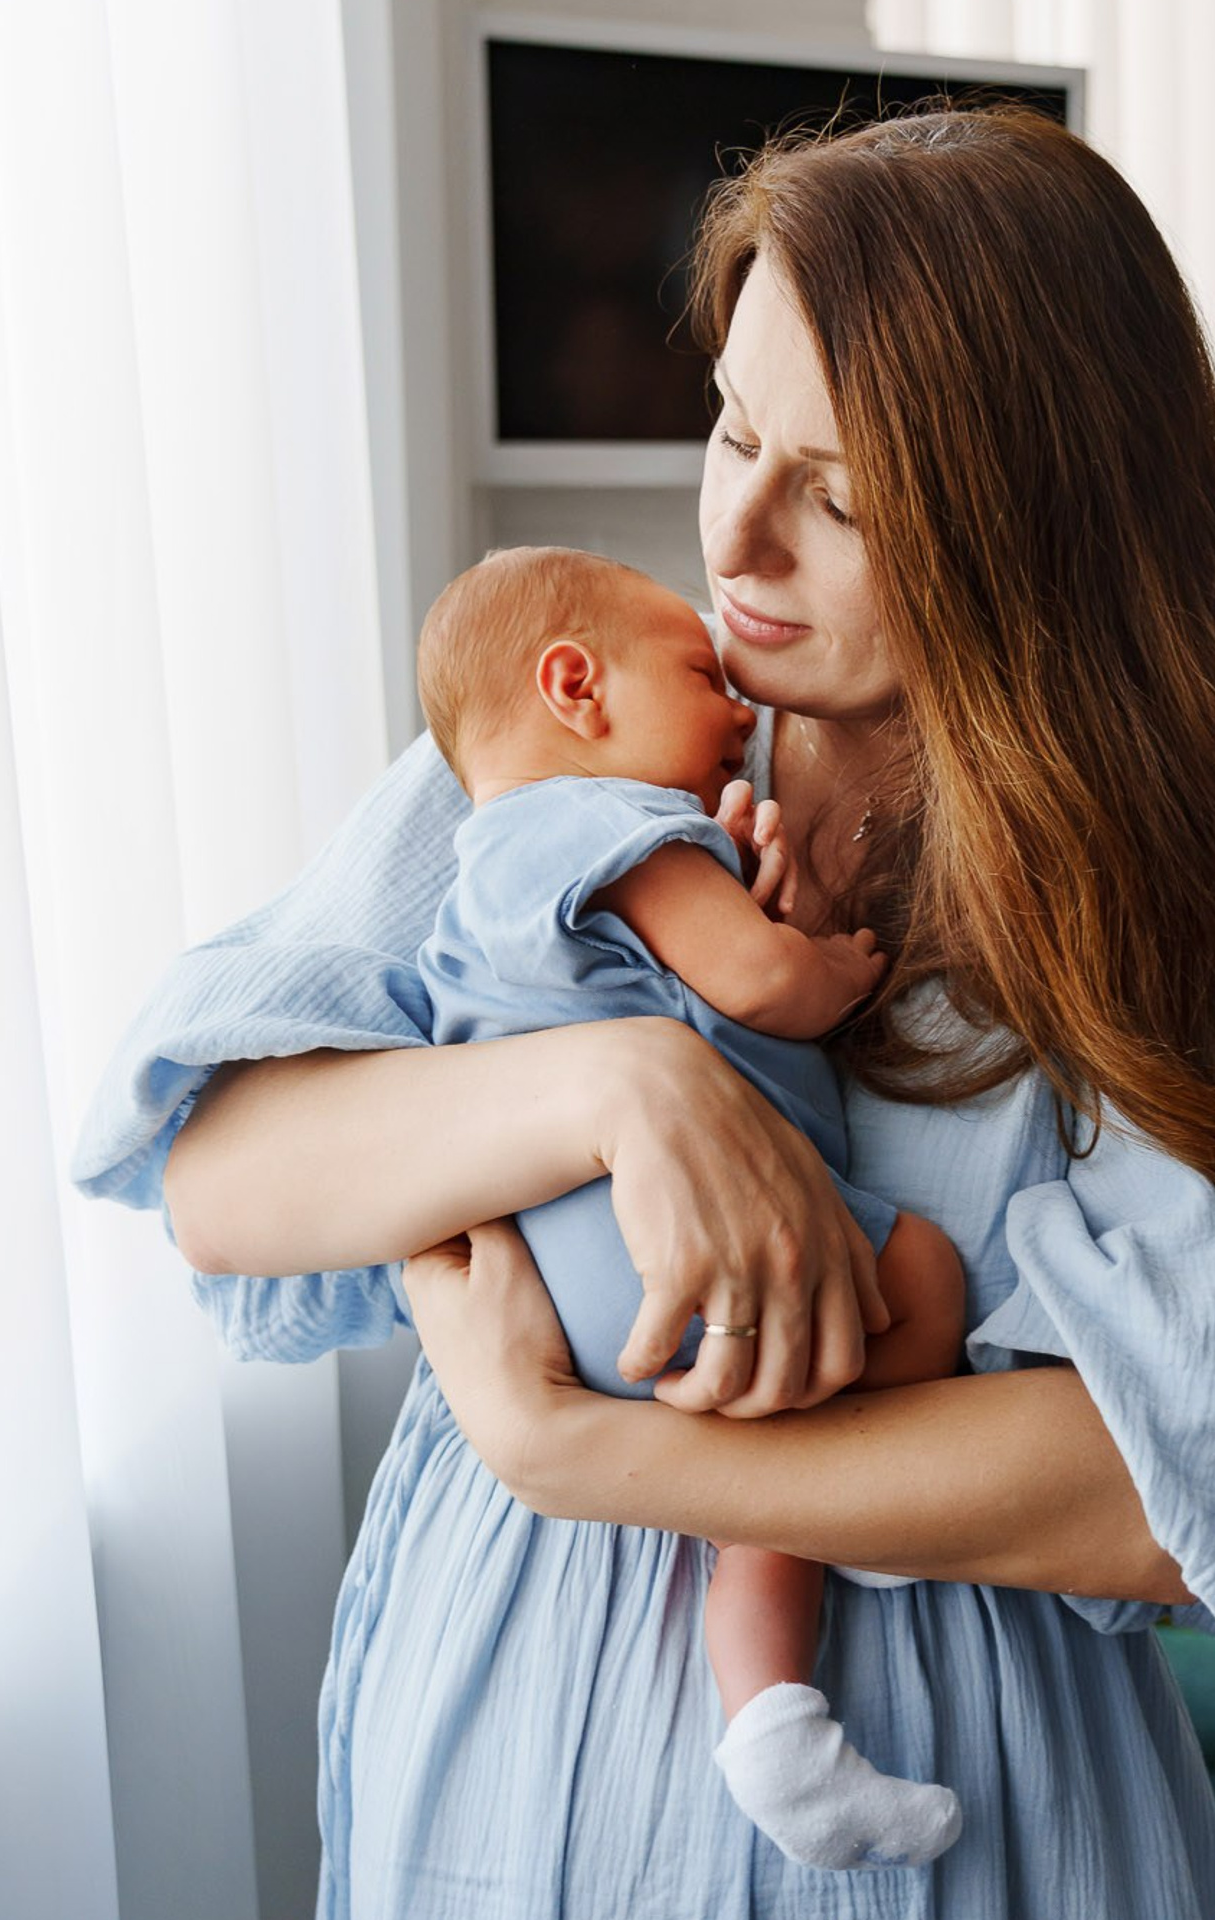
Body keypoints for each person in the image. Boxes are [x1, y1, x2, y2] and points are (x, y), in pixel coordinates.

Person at [75, 103, 1215, 1918]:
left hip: (940, 1785)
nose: (733, 539)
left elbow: (1193, 1495)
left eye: (835, 494)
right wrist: (624, 1086)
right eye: (732, 425)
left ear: (1035, 525)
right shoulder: (577, 747)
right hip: (498, 1731)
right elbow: (221, 1174)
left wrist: (595, 1455)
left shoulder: (1166, 886)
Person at [413, 542, 965, 1870]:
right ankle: (870, 1518)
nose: (734, 712)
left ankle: (774, 1724)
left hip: (572, 1294)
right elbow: (756, 982)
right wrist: (830, 961)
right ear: (575, 689)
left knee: (751, 1517)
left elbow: (648, 990)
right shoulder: (600, 817)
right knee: (928, 1278)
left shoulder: (475, 880)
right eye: (702, 678)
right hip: (678, 1257)